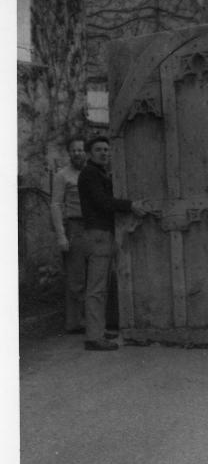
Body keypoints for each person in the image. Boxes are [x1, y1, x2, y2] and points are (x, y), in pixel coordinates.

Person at [78, 135, 147, 351]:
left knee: (102, 286)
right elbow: (102, 202)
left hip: (102, 233)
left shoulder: (98, 173)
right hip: (98, 234)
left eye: (107, 150)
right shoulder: (90, 173)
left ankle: (98, 330)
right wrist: (130, 205)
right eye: (99, 150)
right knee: (96, 288)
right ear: (89, 154)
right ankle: (93, 337)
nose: (104, 153)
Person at [51, 136, 88, 334]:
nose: (77, 153)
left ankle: (94, 320)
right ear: (69, 153)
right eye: (74, 150)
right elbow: (56, 205)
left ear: (86, 152)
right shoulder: (62, 175)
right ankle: (75, 323)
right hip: (75, 228)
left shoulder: (91, 173)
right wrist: (61, 236)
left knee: (95, 275)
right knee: (76, 277)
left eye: (81, 149)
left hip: (93, 227)